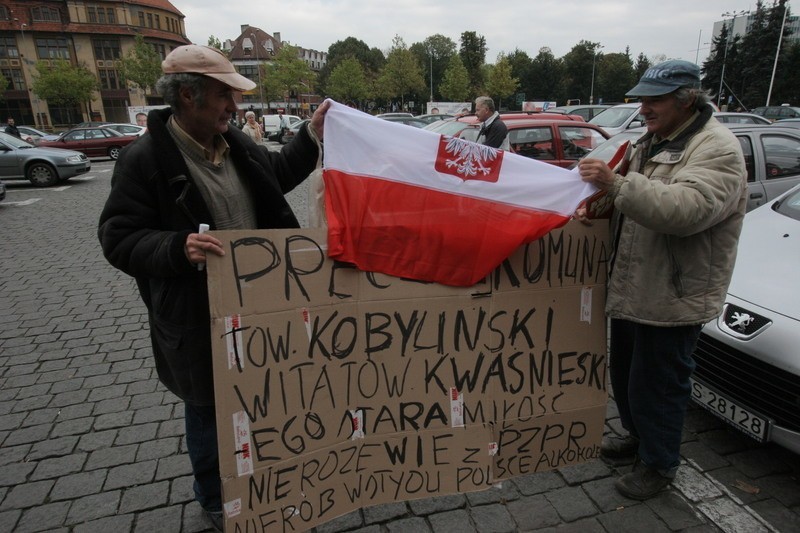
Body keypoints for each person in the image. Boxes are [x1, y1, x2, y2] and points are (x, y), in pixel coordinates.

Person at [97, 44, 329, 531]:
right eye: (225, 95)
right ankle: (213, 497)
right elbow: (118, 239)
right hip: (194, 316)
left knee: (261, 394)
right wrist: (177, 247)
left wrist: (311, 134)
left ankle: (261, 477)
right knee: (206, 409)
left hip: (257, 308)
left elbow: (279, 174)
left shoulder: (237, 145)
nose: (235, 106)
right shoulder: (144, 161)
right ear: (188, 96)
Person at [577, 60, 746, 500]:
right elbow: (632, 202)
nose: (644, 107)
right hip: (635, 284)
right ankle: (637, 437)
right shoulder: (651, 141)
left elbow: (686, 209)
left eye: (654, 99)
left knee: (662, 385)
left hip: (672, 294)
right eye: (642, 98)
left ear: (686, 99)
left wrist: (616, 185)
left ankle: (659, 463)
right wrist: (599, 204)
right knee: (630, 375)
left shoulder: (717, 148)